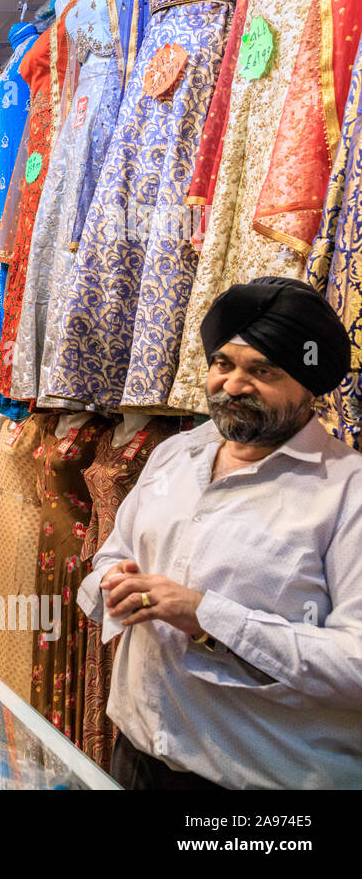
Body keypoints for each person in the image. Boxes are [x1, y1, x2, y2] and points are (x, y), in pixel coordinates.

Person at [79, 276, 362, 789]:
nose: (232, 385)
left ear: (309, 385)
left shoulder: (347, 493)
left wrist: (206, 616)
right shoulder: (173, 456)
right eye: (223, 364)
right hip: (136, 759)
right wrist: (112, 584)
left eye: (262, 370)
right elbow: (111, 556)